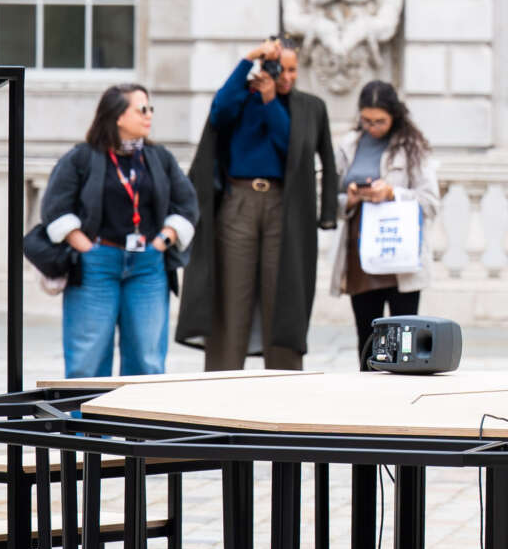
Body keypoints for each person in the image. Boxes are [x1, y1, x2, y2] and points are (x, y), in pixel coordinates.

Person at [177, 36, 338, 370]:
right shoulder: (243, 97)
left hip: (284, 204)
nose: (288, 77)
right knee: (232, 293)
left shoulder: (307, 106)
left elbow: (295, 150)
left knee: (281, 293)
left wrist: (270, 102)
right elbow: (219, 111)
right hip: (239, 201)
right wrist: (246, 61)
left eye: (293, 70)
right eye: (282, 69)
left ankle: (282, 382)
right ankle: (222, 381)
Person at [38, 84, 198, 378]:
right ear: (117, 117)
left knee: (147, 361)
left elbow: (187, 205)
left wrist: (164, 240)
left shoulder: (159, 157)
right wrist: (84, 245)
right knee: (87, 361)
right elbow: (54, 207)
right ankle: (82, 426)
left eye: (150, 109)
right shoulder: (82, 157)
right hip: (97, 263)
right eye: (142, 109)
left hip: (148, 266)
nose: (149, 115)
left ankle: (137, 424)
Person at [329, 81, 437, 362]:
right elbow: (327, 198)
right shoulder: (349, 146)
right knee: (367, 339)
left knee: (404, 340)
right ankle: (368, 397)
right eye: (366, 120)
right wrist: (352, 198)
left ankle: (404, 397)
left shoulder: (412, 148)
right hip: (361, 255)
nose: (372, 127)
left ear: (394, 117)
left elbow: (430, 202)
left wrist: (392, 193)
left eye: (379, 121)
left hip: (400, 254)